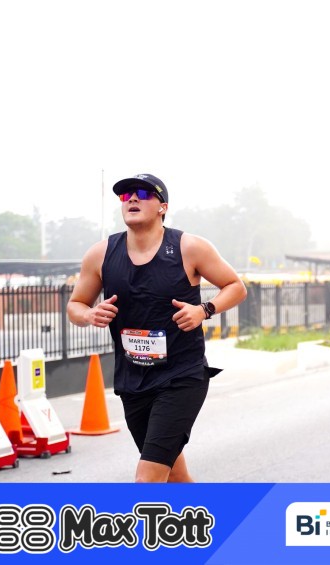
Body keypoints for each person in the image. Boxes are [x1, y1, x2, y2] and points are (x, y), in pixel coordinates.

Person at [67, 174, 247, 483]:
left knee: (147, 479)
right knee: (175, 475)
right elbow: (76, 305)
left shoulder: (189, 247)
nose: (132, 199)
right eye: (125, 196)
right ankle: (212, 513)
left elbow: (235, 286)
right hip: (132, 380)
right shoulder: (101, 254)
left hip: (181, 377)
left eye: (142, 193)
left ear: (163, 207)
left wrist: (204, 310)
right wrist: (90, 314)